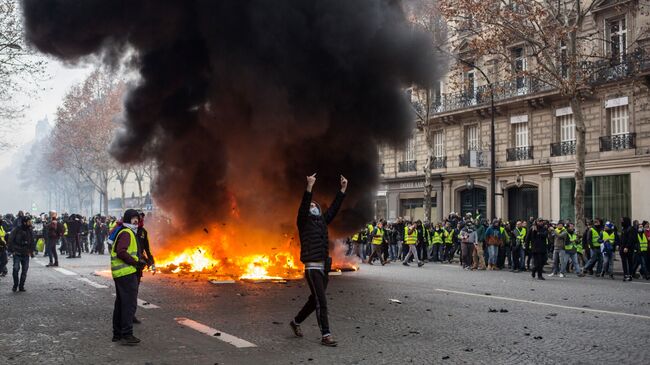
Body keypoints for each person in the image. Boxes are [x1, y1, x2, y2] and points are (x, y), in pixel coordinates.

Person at [290, 173, 346, 347]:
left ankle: (296, 322)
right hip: (312, 267)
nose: (313, 206)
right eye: (311, 205)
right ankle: (326, 335)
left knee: (315, 300)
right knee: (321, 301)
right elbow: (304, 204)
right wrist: (309, 187)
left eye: (316, 205)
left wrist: (343, 190)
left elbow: (334, 209)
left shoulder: (322, 221)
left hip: (324, 267)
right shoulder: (303, 222)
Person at [111, 209, 145, 345]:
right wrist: (135, 262)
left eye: (137, 218)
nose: (136, 220)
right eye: (133, 218)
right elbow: (121, 252)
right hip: (126, 273)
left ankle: (117, 334)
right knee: (128, 305)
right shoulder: (127, 232)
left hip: (121, 274)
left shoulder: (128, 231)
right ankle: (127, 334)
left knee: (120, 304)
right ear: (127, 219)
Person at [8, 216, 35, 292]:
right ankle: (15, 285)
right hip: (17, 253)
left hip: (26, 254)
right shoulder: (17, 229)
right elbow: (10, 240)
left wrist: (31, 251)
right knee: (15, 269)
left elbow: (32, 241)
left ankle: (21, 286)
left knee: (24, 271)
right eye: (29, 222)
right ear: (24, 222)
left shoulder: (30, 230)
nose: (30, 223)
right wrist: (12, 250)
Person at [619, 217, 637, 281]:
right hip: (622, 248)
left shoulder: (631, 229)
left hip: (628, 248)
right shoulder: (624, 229)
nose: (621, 222)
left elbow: (631, 239)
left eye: (622, 221)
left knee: (630, 262)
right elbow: (622, 238)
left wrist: (627, 247)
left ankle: (630, 275)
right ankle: (626, 274)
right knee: (624, 262)